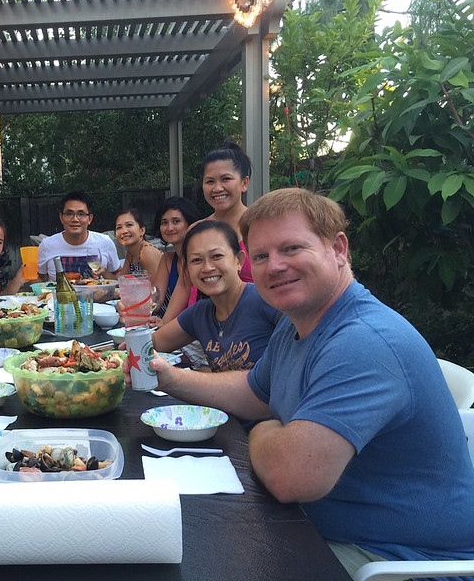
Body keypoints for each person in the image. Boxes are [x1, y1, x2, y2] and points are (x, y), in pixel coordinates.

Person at [142, 188, 474, 576]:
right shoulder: (296, 324)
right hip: (316, 526)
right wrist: (171, 378)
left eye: (292, 248)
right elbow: (253, 391)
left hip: (397, 559)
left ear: (339, 249)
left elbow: (290, 477)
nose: (274, 266)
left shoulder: (364, 341)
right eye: (262, 256)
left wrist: (264, 429)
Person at [151, 220, 279, 373]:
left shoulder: (267, 301)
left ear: (239, 260)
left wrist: (179, 378)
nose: (207, 268)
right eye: (196, 260)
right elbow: (150, 344)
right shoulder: (200, 314)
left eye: (217, 256)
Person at [160, 140, 254, 325]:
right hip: (200, 329)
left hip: (251, 327)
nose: (217, 188)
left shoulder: (259, 227)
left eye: (226, 179)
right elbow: (185, 284)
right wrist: (165, 325)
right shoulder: (196, 230)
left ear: (244, 183)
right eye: (210, 181)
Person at [36, 191, 121, 280]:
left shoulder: (105, 242)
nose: (75, 219)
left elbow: (118, 274)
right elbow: (38, 277)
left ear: (90, 219)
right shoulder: (47, 245)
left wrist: (105, 272)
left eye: (81, 214)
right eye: (69, 214)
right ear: (61, 218)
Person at [149, 196, 201, 319]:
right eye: (164, 223)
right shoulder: (168, 259)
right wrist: (134, 306)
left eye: (176, 221)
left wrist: (164, 324)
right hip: (173, 323)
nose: (169, 228)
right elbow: (156, 298)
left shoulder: (199, 260)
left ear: (190, 223)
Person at [114, 208, 162, 277]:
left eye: (129, 225)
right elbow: (122, 280)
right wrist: (104, 271)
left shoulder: (147, 251)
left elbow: (156, 284)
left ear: (142, 230)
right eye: (119, 227)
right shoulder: (131, 253)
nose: (123, 231)